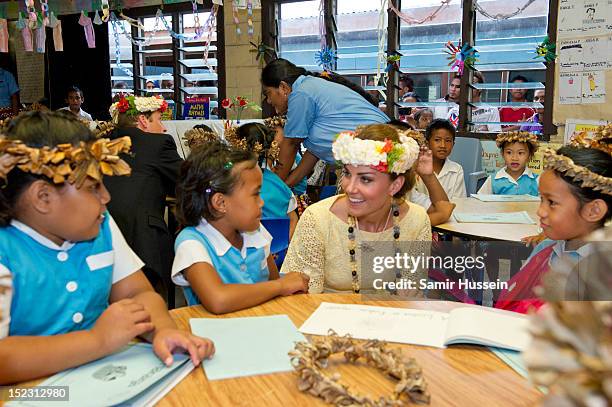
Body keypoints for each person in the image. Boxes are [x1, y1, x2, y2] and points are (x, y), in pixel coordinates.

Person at [0, 111, 214, 384]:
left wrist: (162, 330)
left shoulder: (100, 224)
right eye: (93, 187)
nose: (107, 197)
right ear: (43, 197)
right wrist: (95, 341)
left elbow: (137, 292)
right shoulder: (5, 249)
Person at [281, 124, 431, 294]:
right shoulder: (318, 219)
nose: (350, 188)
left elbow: (409, 293)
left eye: (365, 179)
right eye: (346, 174)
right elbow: (303, 297)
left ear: (395, 185)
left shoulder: (417, 220)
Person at [171, 141, 309, 314]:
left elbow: (273, 284)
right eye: (255, 194)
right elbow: (218, 299)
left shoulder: (256, 232)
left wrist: (288, 283)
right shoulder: (192, 242)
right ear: (220, 202)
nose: (262, 202)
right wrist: (281, 285)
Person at [495, 128, 611, 313]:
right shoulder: (545, 249)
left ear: (594, 210)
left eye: (552, 202)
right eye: (541, 199)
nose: (540, 211)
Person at [261, 59, 389, 189]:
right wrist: (286, 186)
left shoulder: (300, 93)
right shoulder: (308, 87)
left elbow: (291, 144)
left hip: (378, 153)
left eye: (268, 94)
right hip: (375, 155)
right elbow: (314, 152)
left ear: (283, 87)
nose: (269, 101)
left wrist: (273, 189)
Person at [104, 95, 183, 296]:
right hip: (143, 242)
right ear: (143, 121)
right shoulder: (158, 143)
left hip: (103, 241)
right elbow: (190, 179)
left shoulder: (102, 144)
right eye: (158, 119)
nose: (163, 127)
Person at [388, 120, 456, 226]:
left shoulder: (407, 191)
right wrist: (440, 215)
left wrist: (428, 175)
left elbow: (443, 207)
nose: (418, 157)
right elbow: (443, 212)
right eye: (413, 152)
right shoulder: (380, 188)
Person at [414, 119, 466, 200]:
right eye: (437, 140)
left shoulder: (457, 169)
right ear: (427, 143)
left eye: (448, 140)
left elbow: (459, 202)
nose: (443, 145)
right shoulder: (417, 168)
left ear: (453, 144)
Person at [478, 131, 540, 196]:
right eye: (509, 153)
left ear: (529, 156)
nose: (514, 158)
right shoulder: (493, 180)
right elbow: (479, 202)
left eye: (520, 153)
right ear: (502, 154)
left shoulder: (537, 181)